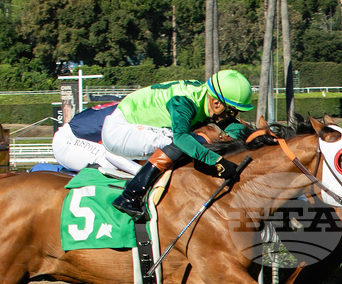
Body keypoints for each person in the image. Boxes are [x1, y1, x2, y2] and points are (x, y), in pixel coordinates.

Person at [107, 69, 254, 219]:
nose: (233, 116)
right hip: (120, 131)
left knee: (196, 142)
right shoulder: (184, 101)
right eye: (232, 112)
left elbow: (233, 127)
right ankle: (130, 195)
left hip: (138, 127)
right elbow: (181, 139)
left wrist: (260, 138)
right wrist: (217, 161)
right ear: (217, 103)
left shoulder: (208, 97)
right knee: (187, 143)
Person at [51, 100, 145, 177]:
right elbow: (112, 154)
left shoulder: (132, 106)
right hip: (67, 142)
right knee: (111, 162)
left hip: (77, 136)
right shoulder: (131, 115)